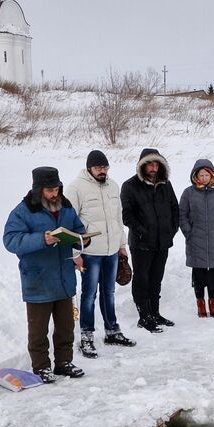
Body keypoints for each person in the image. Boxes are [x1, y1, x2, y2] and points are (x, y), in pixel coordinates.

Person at [2, 166, 87, 383]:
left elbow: (78, 228)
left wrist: (83, 239)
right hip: (38, 280)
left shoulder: (66, 207)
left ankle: (63, 363)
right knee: (38, 331)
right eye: (49, 190)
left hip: (64, 277)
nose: (55, 193)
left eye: (57, 188)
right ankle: (41, 368)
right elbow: (10, 240)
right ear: (38, 189)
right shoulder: (23, 211)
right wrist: (43, 239)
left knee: (66, 326)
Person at [67, 150, 135, 355]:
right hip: (90, 251)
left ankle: (112, 331)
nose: (102, 171)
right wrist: (75, 252)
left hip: (112, 250)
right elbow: (69, 222)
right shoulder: (76, 188)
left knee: (109, 292)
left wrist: (122, 245)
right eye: (98, 168)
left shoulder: (112, 186)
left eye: (105, 167)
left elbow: (117, 218)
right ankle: (86, 335)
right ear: (89, 168)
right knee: (89, 294)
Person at [120, 147, 180, 333]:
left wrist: (171, 230)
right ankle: (144, 316)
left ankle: (155, 313)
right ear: (142, 166)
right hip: (141, 243)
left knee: (156, 279)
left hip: (162, 242)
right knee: (142, 280)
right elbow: (127, 216)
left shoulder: (165, 184)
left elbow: (174, 209)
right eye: (150, 164)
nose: (153, 168)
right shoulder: (130, 186)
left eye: (156, 164)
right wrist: (142, 232)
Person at [177, 158, 214, 318]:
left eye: (207, 175)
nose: (204, 178)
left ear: (212, 175)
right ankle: (200, 304)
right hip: (196, 240)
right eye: (201, 175)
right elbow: (182, 214)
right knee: (199, 275)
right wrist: (189, 232)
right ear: (195, 176)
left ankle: (213, 304)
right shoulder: (188, 193)